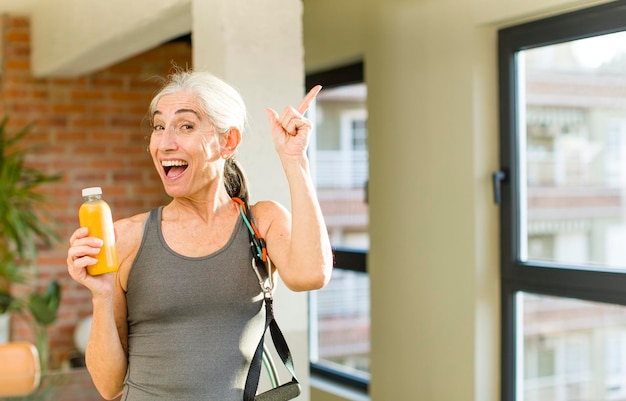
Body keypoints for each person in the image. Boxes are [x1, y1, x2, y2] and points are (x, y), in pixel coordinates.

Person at [66, 69, 333, 401]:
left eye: (186, 126)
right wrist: (101, 296)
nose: (165, 143)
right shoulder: (127, 238)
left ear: (228, 142)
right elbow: (110, 387)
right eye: (159, 127)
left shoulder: (260, 223)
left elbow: (312, 274)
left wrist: (295, 160)